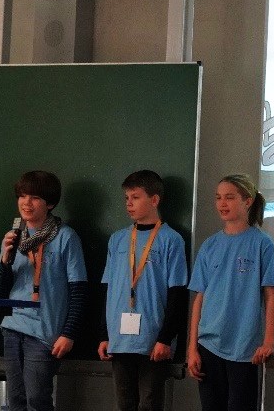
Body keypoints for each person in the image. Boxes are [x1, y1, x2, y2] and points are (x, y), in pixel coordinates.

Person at [0, 171, 88, 411]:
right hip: (13, 327)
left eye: (35, 197)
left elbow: (78, 290)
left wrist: (69, 334)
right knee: (15, 401)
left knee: (37, 399)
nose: (26, 202)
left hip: (44, 331)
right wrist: (5, 259)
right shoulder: (14, 238)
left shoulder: (66, 237)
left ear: (50, 203)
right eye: (22, 196)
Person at [187, 174, 274, 411]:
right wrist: (192, 348)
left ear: (247, 201)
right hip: (209, 344)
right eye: (218, 198)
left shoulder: (262, 243)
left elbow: (270, 295)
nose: (222, 203)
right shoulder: (209, 245)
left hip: (245, 347)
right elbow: (199, 299)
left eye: (229, 197)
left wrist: (269, 341)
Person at [98, 170, 188, 411]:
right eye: (126, 198)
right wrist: (104, 335)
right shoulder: (117, 239)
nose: (129, 203)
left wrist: (165, 338)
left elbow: (178, 293)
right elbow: (107, 288)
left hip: (152, 339)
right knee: (124, 403)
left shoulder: (171, 240)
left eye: (135, 197)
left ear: (154, 199)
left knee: (149, 402)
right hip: (119, 339)